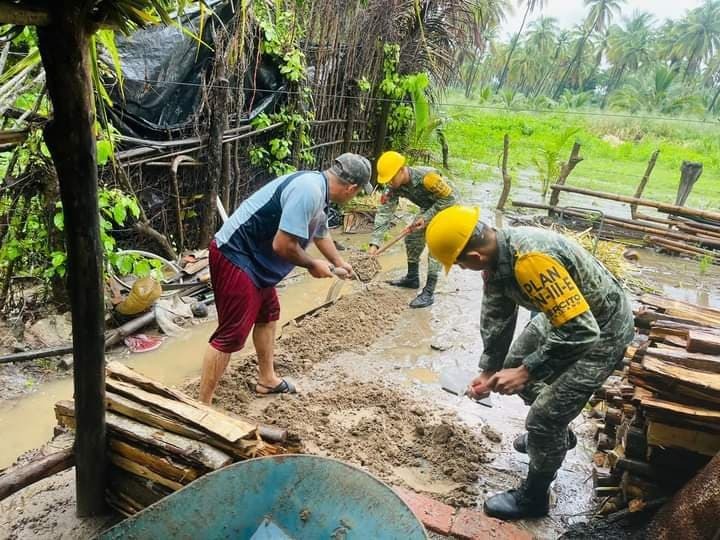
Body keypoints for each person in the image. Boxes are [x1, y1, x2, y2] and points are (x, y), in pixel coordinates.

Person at [425, 206, 634, 520]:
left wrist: (527, 371)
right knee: (511, 364)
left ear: (474, 257)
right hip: (563, 317)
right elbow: (497, 318)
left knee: (543, 417)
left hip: (603, 330)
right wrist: (489, 371)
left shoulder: (530, 262)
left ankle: (533, 498)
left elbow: (582, 332)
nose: (461, 269)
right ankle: (555, 436)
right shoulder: (496, 258)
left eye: (458, 264)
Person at [198, 153, 373, 404]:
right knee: (232, 333)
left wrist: (339, 263)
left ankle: (267, 380)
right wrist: (312, 264)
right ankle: (201, 405)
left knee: (268, 314)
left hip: (255, 259)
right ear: (351, 188)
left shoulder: (319, 191)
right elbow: (282, 245)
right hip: (235, 254)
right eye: (357, 193)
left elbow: (321, 234)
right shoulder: (308, 191)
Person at [368, 151, 458, 308]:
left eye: (391, 178)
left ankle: (429, 292)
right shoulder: (392, 187)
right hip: (429, 206)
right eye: (386, 180)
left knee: (435, 244)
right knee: (412, 237)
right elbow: (384, 213)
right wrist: (375, 243)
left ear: (402, 170)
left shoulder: (428, 178)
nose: (389, 183)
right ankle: (412, 278)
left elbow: (450, 199)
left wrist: (427, 217)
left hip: (448, 207)